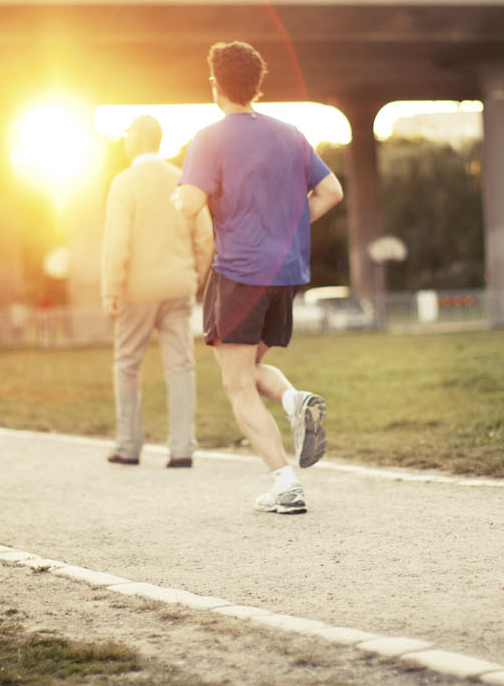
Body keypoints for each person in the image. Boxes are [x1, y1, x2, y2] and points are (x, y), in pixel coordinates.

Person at [173, 41, 344, 514]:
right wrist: (287, 225)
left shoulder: (209, 138)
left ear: (215, 86)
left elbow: (188, 204)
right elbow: (331, 191)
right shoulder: (291, 134)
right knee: (246, 369)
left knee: (236, 385)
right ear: (256, 85)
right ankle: (295, 400)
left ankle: (286, 484)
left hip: (239, 273)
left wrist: (178, 197)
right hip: (286, 273)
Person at [101, 115, 214, 468]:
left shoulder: (124, 183)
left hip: (137, 290)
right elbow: (206, 236)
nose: (125, 142)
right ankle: (182, 449)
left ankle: (128, 445)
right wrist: (193, 276)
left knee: (127, 365)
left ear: (135, 139)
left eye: (127, 136)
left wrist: (111, 289)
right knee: (180, 366)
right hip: (178, 286)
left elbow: (117, 241)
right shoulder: (182, 180)